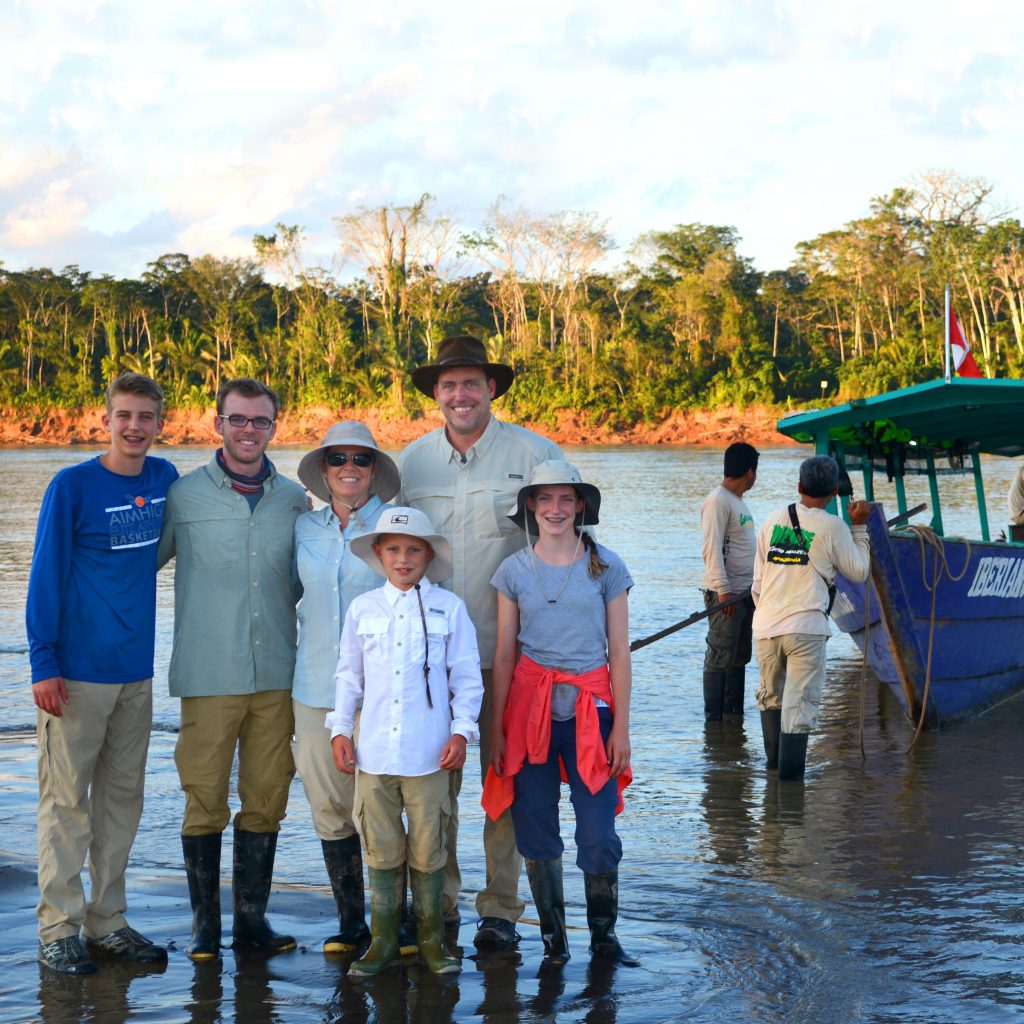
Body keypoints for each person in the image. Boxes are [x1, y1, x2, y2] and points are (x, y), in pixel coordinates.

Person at [398, 334, 561, 949]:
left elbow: (565, 552)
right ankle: (438, 905)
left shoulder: (536, 455)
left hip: (506, 655)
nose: (459, 394)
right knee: (433, 786)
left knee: (503, 780)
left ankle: (500, 909)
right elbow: (391, 552)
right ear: (435, 394)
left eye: (471, 383)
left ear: (492, 387)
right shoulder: (410, 464)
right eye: (448, 385)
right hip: (427, 658)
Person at [27, 372, 178, 974]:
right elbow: (44, 574)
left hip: (135, 673)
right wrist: (44, 660)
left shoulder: (166, 479)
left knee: (122, 802)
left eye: (145, 417)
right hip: (76, 674)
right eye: (124, 416)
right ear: (106, 419)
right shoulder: (72, 486)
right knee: (66, 804)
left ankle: (107, 921)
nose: (134, 427)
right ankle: (58, 928)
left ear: (159, 423)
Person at [157, 377, 307, 960]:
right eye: (237, 419)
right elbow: (137, 570)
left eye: (260, 421)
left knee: (268, 796)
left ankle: (252, 923)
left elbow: (308, 583)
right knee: (204, 798)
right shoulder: (183, 496)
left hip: (277, 675)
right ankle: (205, 926)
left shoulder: (295, 500)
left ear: (275, 426)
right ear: (216, 422)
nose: (249, 430)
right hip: (207, 673)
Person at [482, 460, 636, 967]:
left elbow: (619, 652)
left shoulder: (608, 566)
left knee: (597, 831)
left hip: (593, 712)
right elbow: (505, 654)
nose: (555, 509)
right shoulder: (513, 571)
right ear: (530, 505)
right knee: (535, 822)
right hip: (530, 712)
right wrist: (499, 729)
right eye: (544, 499)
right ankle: (554, 942)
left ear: (580, 506)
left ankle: (603, 937)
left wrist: (623, 731)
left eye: (565, 499)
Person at [327, 506, 483, 977]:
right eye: (393, 549)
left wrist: (462, 730)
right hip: (373, 753)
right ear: (378, 554)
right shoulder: (362, 609)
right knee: (380, 847)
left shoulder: (449, 608)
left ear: (428, 555)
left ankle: (433, 941)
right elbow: (349, 675)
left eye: (413, 549)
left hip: (430, 754)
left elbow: (467, 676)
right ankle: (383, 942)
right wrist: (339, 728)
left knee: (430, 847)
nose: (403, 558)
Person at [291, 422, 400, 955]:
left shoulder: (397, 527)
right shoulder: (302, 529)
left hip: (381, 690)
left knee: (380, 806)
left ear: (375, 468)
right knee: (330, 807)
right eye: (338, 459)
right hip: (313, 687)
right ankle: (352, 921)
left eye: (361, 459)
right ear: (324, 469)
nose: (349, 468)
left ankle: (393, 922)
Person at [752, 456, 871, 780]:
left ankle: (773, 788)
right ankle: (791, 801)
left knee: (771, 699)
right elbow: (859, 571)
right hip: (806, 628)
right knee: (798, 709)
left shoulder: (771, 520)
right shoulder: (833, 526)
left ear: (800, 487)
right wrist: (859, 526)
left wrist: (769, 615)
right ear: (834, 491)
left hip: (765, 627)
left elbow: (758, 582)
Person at [700, 442, 759, 720]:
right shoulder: (718, 501)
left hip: (745, 594)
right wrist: (723, 591)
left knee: (738, 657)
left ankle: (733, 722)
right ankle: (714, 721)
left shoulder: (737, 502)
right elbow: (712, 549)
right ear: (750, 472)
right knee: (720, 656)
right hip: (726, 595)